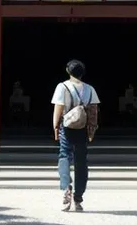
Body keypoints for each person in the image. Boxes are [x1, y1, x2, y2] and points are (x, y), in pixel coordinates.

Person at [51, 59, 100, 212]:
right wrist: (92, 131)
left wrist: (55, 127)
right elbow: (93, 112)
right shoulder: (90, 89)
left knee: (64, 155)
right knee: (81, 161)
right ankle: (78, 197)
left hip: (67, 126)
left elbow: (58, 108)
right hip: (83, 128)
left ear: (68, 71)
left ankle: (66, 188)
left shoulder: (62, 86)